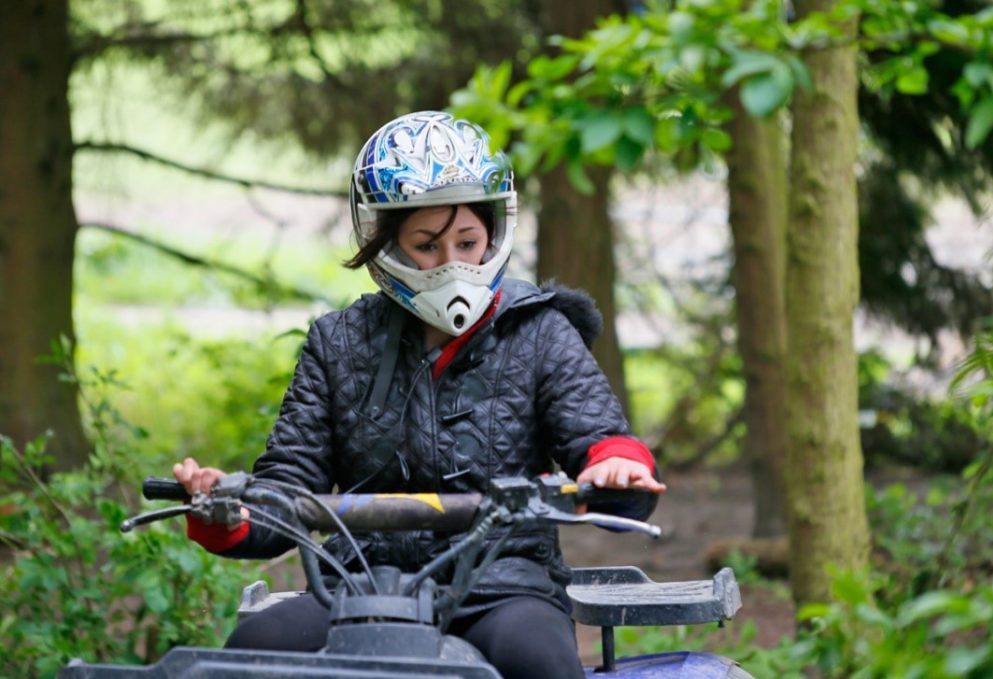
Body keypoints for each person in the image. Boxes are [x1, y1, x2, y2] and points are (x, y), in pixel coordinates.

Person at [173, 110, 666, 678]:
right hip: (358, 586)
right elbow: (289, 482)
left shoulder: (538, 331)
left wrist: (615, 470)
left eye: (467, 240)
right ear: (387, 245)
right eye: (428, 245)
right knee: (248, 652)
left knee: (541, 661)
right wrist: (224, 508)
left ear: (493, 235)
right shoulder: (338, 343)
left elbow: (600, 436)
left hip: (501, 586)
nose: (453, 262)